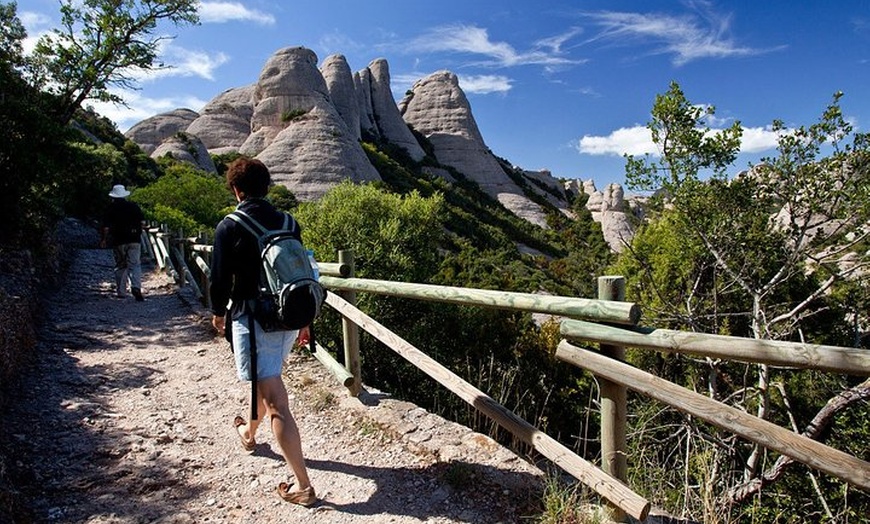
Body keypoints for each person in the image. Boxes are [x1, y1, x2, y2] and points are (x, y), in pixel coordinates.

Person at [209, 158, 316, 506]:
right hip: (287, 317)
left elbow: (219, 278)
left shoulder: (230, 225)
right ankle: (249, 433)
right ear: (267, 187)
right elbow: (302, 271)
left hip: (254, 320)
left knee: (277, 403)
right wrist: (305, 320)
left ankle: (303, 486)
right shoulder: (289, 221)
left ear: (237, 190)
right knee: (264, 380)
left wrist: (217, 313)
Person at [100, 184, 145, 301]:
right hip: (134, 239)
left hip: (118, 240)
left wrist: (104, 239)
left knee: (121, 265)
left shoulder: (110, 209)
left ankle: (121, 291)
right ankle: (136, 287)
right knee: (135, 264)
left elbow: (106, 228)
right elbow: (142, 223)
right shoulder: (133, 206)